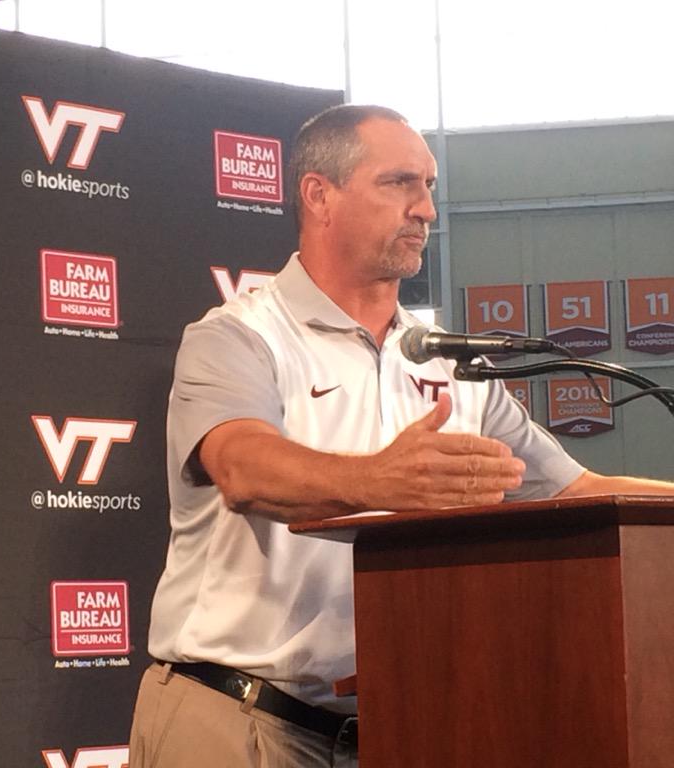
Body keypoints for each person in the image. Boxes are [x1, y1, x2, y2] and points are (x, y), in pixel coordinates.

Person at [127, 104, 674, 768]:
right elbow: (244, 468)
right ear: (319, 195)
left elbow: (578, 490)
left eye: (430, 186)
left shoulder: (445, 362)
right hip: (237, 724)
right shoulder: (239, 336)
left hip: (403, 727)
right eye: (399, 184)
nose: (426, 210)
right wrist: (383, 482)